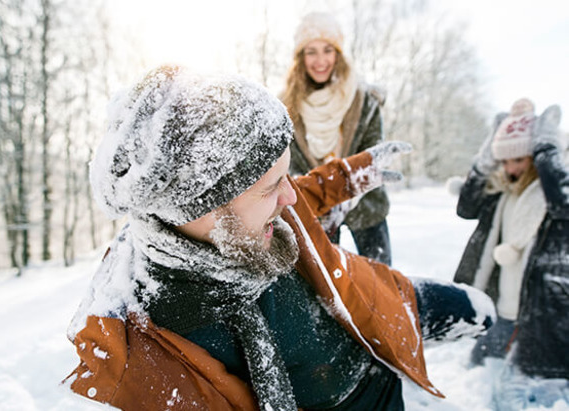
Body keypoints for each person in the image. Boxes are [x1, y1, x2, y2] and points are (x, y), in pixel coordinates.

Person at [64, 65, 494, 410]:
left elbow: (306, 190)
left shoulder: (261, 216)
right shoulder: (148, 346)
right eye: (270, 187)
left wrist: (354, 173)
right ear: (200, 207)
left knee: (480, 313)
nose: (288, 196)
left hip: (375, 340)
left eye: (284, 175)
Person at [452, 98, 568, 409]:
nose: (511, 168)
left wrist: (546, 147)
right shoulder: (502, 190)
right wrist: (488, 154)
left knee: (530, 394)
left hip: (542, 315)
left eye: (519, 159)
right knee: (479, 372)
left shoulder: (554, 195)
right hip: (502, 308)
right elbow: (466, 207)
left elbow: (562, 200)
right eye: (504, 160)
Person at [281, 12, 392, 264]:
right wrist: (319, 194)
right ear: (300, 57)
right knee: (325, 288)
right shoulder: (287, 107)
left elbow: (373, 152)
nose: (320, 60)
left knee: (382, 282)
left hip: (367, 207)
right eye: (311, 51)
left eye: (328, 50)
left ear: (338, 54)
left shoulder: (364, 100)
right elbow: (289, 163)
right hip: (316, 212)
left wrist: (349, 190)